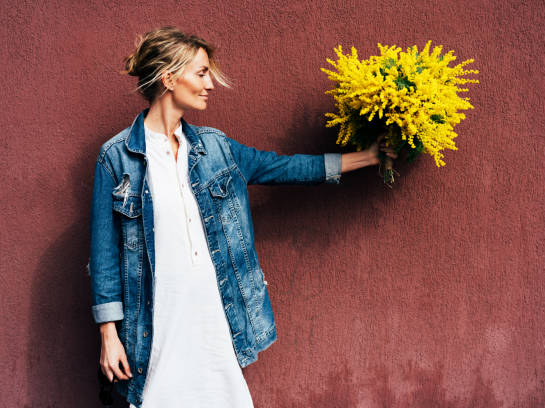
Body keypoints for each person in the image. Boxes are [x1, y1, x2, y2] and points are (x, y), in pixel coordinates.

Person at [88, 26, 398, 408]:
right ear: (169, 77)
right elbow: (104, 256)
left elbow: (283, 168)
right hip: (155, 323)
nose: (210, 84)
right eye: (201, 73)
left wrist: (367, 157)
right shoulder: (116, 158)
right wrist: (109, 334)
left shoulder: (216, 148)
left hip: (214, 314)